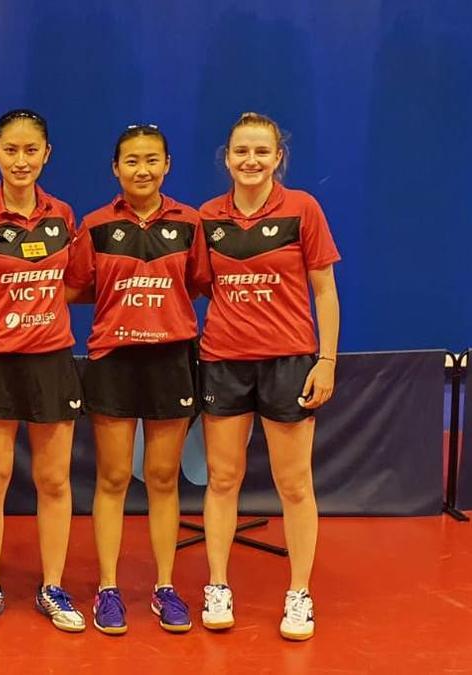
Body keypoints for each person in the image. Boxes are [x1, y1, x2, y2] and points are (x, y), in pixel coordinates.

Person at [198, 112, 340, 641]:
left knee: (294, 483)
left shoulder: (303, 209)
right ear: (227, 158)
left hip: (291, 362)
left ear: (278, 156)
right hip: (224, 361)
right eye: (241, 152)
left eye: (261, 151)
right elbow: (200, 283)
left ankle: (299, 593)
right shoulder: (209, 218)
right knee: (223, 479)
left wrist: (326, 360)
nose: (250, 161)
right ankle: (217, 585)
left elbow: (323, 290)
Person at [66, 124, 210, 635]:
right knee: (112, 478)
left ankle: (164, 587)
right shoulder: (96, 224)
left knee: (165, 479)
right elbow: (76, 287)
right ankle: (108, 588)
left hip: (171, 358)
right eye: (131, 161)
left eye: (152, 160)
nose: (142, 169)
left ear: (167, 165)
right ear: (115, 168)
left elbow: (197, 283)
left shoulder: (191, 223)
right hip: (112, 360)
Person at [0, 109, 84, 633]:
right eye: (11, 150)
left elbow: (69, 285)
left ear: (46, 154)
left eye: (31, 150)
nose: (21, 160)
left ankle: (52, 586)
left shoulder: (63, 216)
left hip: (51, 361)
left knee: (53, 479)